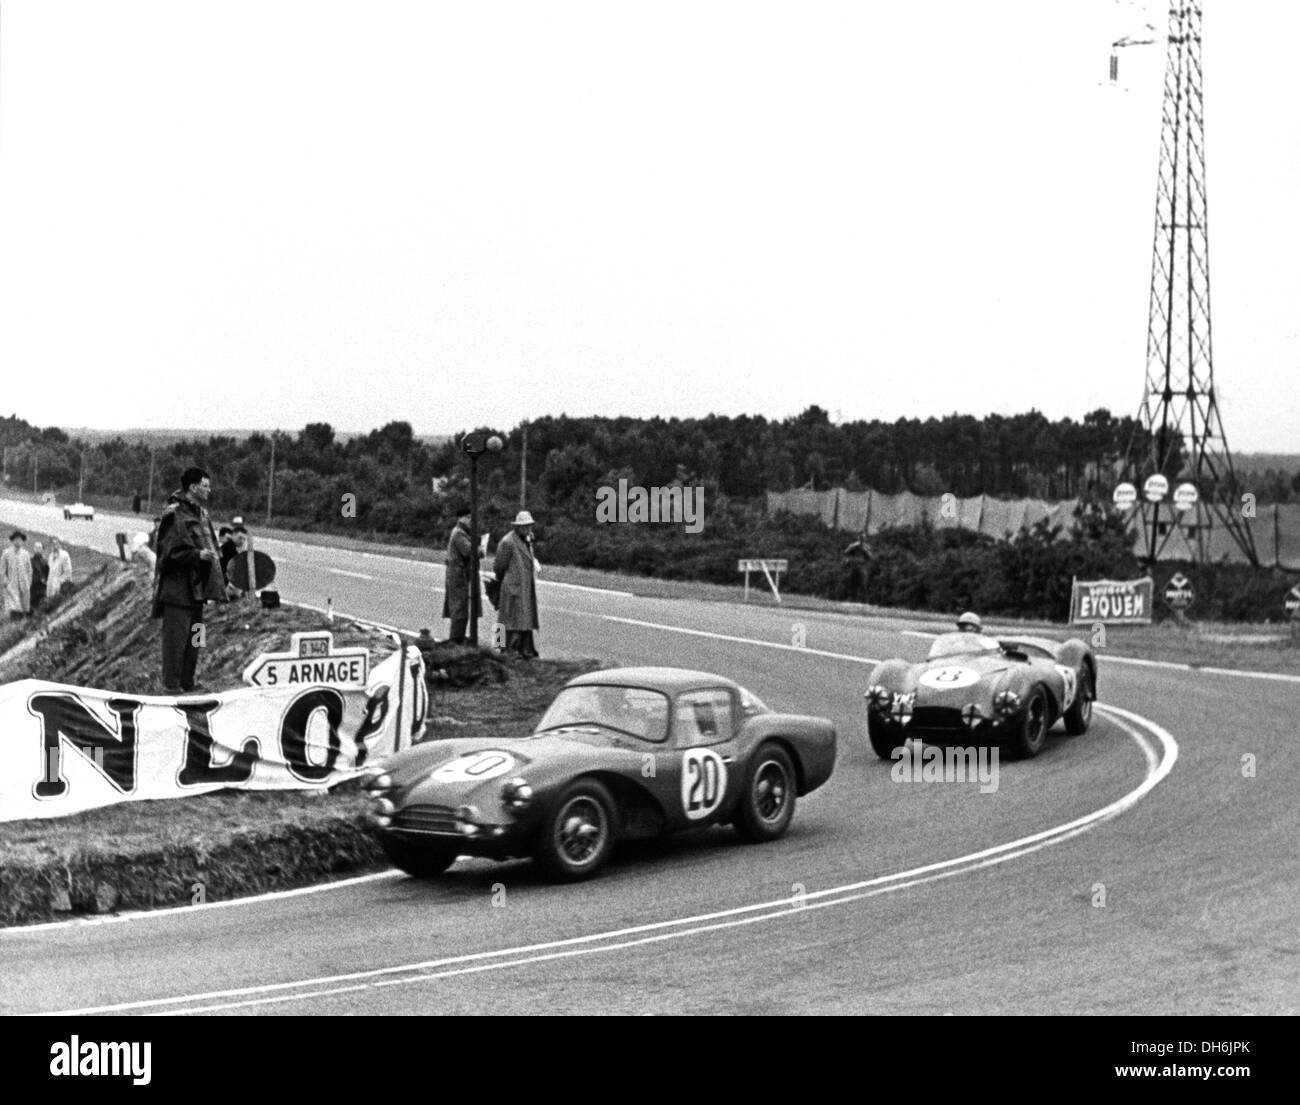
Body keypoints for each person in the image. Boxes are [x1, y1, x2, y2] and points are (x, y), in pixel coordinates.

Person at [152, 466, 229, 693]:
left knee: (197, 638)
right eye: (205, 486)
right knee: (176, 642)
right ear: (193, 487)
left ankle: (189, 681)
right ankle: (172, 686)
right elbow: (168, 554)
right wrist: (197, 556)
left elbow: (212, 545)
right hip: (178, 591)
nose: (209, 490)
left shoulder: (202, 514)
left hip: (198, 592)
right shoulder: (173, 514)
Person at [493, 510, 540, 658]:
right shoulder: (507, 542)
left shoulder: (527, 541)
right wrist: (506, 579)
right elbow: (499, 566)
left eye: (529, 526)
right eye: (524, 526)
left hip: (523, 586)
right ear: (517, 527)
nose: (527, 529)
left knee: (523, 618)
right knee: (506, 619)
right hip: (511, 586)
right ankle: (501, 647)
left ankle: (523, 649)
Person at [441, 504, 480, 644]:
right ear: (461, 518)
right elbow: (469, 551)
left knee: (462, 608)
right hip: (457, 576)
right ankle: (455, 640)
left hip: (460, 575)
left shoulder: (464, 532)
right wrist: (480, 550)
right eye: (468, 518)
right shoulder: (458, 533)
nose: (470, 520)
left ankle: (459, 637)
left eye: (471, 517)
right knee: (459, 609)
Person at [2, 531, 33, 621]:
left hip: (24, 586)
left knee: (24, 609)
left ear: (22, 541)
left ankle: (22, 628)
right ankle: (13, 626)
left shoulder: (25, 554)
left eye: (20, 539)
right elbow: (2, 570)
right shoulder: (6, 553)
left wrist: (28, 583)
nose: (18, 541)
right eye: (16, 539)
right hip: (12, 585)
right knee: (14, 608)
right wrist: (6, 583)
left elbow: (29, 570)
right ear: (13, 540)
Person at [29, 541, 49, 613]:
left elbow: (48, 574)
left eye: (39, 548)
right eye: (36, 547)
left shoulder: (46, 561)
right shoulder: (29, 561)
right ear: (34, 549)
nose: (38, 549)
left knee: (44, 604)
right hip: (32, 587)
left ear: (42, 549)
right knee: (31, 606)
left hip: (42, 587)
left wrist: (46, 581)